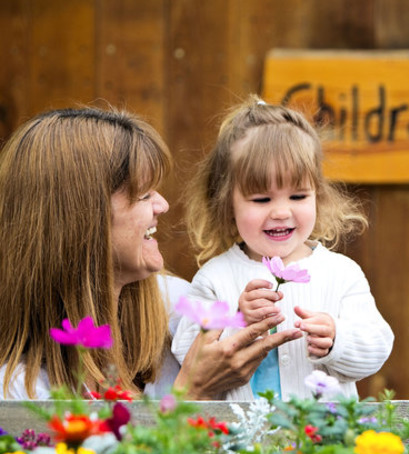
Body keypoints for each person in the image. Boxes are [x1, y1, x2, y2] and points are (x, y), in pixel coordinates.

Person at [0, 107, 301, 399]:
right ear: (81, 219)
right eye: (144, 195)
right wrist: (193, 391)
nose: (163, 206)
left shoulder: (178, 309)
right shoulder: (16, 389)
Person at [171, 95, 393, 400]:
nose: (280, 212)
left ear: (319, 195)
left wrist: (337, 339)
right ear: (226, 205)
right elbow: (186, 354)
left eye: (298, 197)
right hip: (243, 443)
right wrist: (238, 320)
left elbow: (377, 346)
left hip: (322, 441)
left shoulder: (340, 273)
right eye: (262, 199)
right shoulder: (215, 277)